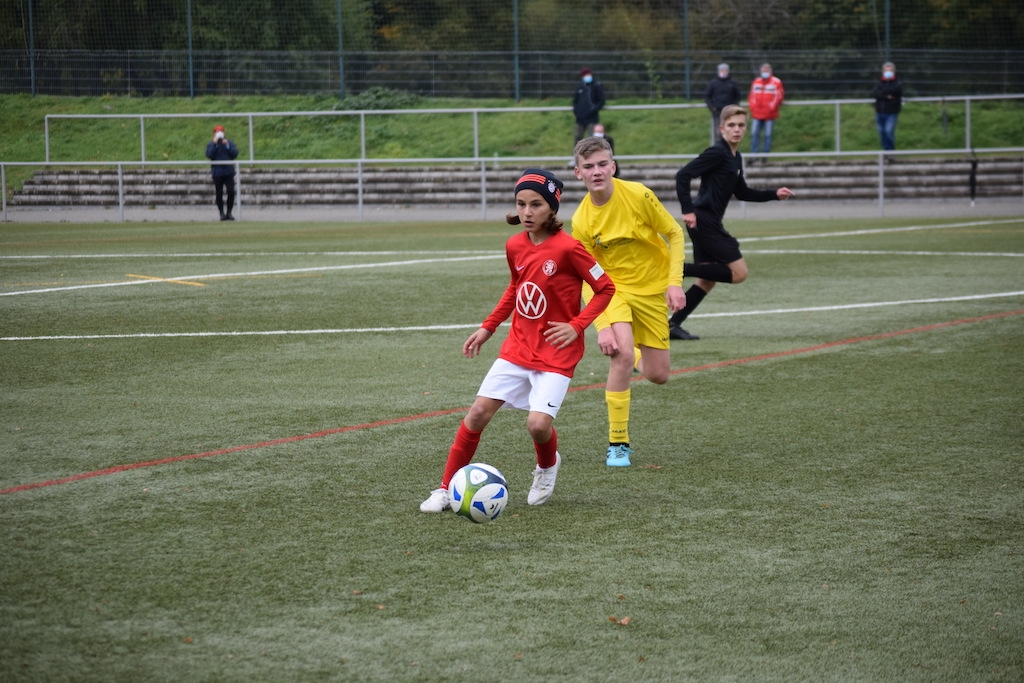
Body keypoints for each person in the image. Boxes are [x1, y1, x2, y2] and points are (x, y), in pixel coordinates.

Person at [420, 169, 615, 514]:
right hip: (518, 347)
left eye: (536, 205)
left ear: (552, 208)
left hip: (556, 352)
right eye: (521, 204)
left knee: (538, 425)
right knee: (478, 413)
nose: (527, 212)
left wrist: (577, 325)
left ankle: (547, 465)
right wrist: (488, 327)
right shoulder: (514, 246)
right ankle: (445, 488)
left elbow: (606, 289)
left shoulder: (571, 249)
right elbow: (515, 288)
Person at [571, 136, 686, 467]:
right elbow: (587, 278)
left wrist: (674, 283)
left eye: (603, 164)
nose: (597, 172)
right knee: (619, 356)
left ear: (613, 166)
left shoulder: (638, 194)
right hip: (613, 291)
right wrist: (602, 326)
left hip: (652, 292)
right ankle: (617, 443)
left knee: (658, 374)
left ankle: (634, 351)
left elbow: (674, 234)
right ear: (579, 173)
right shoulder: (581, 221)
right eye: (589, 167)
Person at [669, 105, 796, 341]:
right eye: (731, 125)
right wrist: (688, 210)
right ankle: (675, 270)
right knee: (738, 273)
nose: (737, 130)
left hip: (709, 220)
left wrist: (773, 194)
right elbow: (683, 175)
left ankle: (673, 324)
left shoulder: (735, 157)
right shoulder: (717, 153)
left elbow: (743, 192)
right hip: (704, 221)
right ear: (722, 128)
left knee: (707, 280)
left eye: (741, 125)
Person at [748, 63, 784, 157]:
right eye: (763, 71)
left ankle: (765, 155)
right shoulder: (756, 81)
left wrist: (771, 108)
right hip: (757, 113)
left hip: (769, 114)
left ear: (770, 71)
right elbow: (752, 96)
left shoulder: (776, 82)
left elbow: (779, 96)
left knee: (767, 135)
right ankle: (754, 155)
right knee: (754, 133)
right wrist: (753, 107)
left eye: (766, 71)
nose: (765, 73)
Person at [205, 124, 239, 221]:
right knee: (219, 193)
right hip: (217, 172)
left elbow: (235, 154)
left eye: (221, 131)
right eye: (217, 131)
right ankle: (221, 213)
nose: (219, 133)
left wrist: (227, 145)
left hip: (228, 171)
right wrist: (215, 144)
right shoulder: (211, 144)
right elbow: (209, 154)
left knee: (231, 191)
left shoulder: (229, 143)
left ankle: (229, 212)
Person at [871, 61, 903, 153]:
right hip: (880, 111)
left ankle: (890, 151)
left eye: (890, 70)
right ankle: (886, 149)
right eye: (886, 70)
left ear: (894, 71)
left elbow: (896, 91)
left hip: (892, 112)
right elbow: (876, 93)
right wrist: (886, 96)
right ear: (883, 71)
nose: (888, 72)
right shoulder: (880, 82)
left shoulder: (897, 82)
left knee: (888, 131)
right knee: (881, 132)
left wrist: (883, 93)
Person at [705, 63, 740, 144]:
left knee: (729, 132)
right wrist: (712, 108)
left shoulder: (733, 83)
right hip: (717, 112)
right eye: (722, 70)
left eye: (725, 70)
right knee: (718, 133)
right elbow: (707, 96)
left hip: (730, 113)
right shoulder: (713, 83)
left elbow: (737, 96)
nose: (723, 72)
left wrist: (733, 107)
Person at [572, 68, 606, 145]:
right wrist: (577, 112)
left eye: (588, 75)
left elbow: (601, 101)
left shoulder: (597, 86)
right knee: (577, 137)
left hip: (592, 118)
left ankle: (594, 155)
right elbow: (575, 101)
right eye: (584, 75)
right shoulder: (580, 87)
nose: (586, 77)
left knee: (593, 139)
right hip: (580, 118)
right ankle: (577, 156)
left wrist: (593, 109)